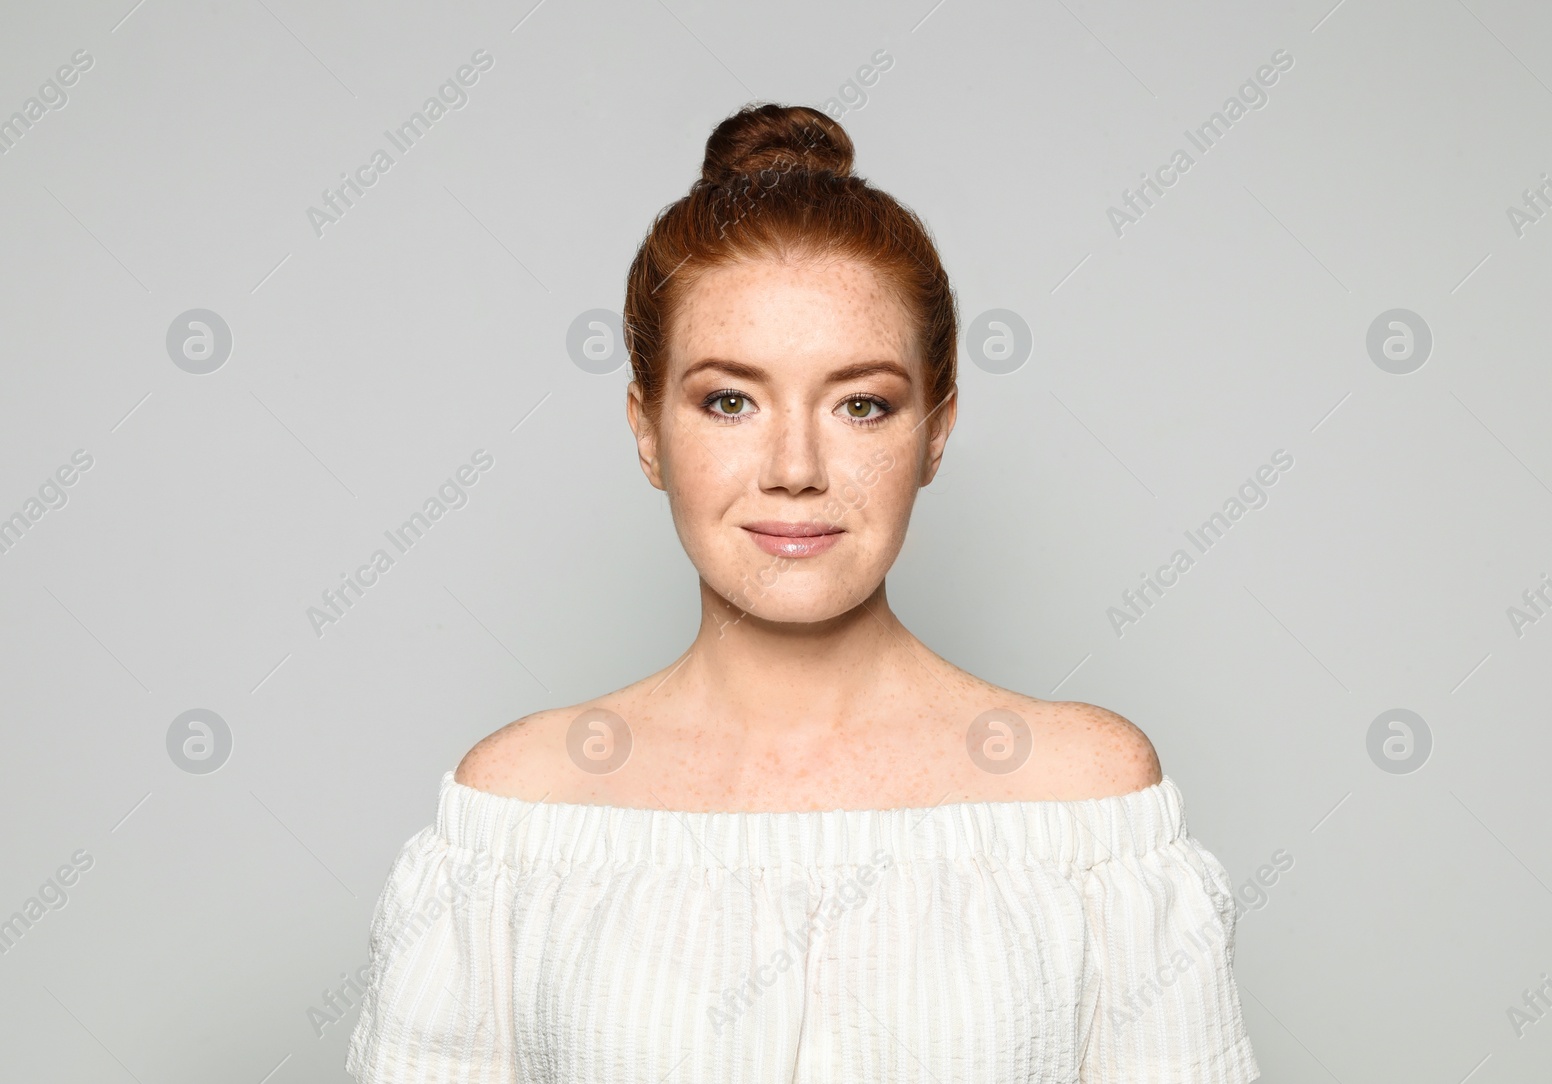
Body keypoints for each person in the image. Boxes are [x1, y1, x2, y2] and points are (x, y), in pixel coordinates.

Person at [347, 102, 1260, 1083]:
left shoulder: (1085, 809)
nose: (795, 467)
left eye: (861, 404)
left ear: (935, 431)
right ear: (647, 428)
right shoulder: (515, 819)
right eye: (728, 400)